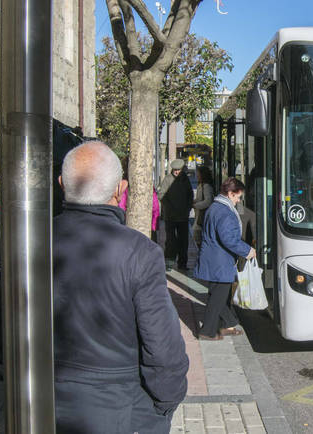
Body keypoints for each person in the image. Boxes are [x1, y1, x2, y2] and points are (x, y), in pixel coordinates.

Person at [53, 141, 188, 433]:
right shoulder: (140, 252)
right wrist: (165, 404)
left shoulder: (31, 241)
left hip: (41, 399)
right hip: (119, 407)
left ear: (62, 184)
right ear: (121, 188)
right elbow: (162, 346)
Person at [194, 177, 256, 341]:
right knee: (218, 299)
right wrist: (248, 250)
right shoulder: (225, 212)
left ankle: (225, 324)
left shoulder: (214, 207)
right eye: (237, 197)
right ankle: (207, 331)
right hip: (220, 262)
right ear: (230, 194)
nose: (238, 201)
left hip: (213, 259)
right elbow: (229, 239)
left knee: (218, 295)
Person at [159, 159, 193, 270]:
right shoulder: (168, 179)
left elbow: (190, 194)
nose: (177, 172)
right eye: (175, 170)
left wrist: (188, 207)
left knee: (183, 241)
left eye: (179, 170)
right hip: (171, 216)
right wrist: (169, 207)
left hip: (183, 216)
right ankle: (169, 263)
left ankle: (182, 263)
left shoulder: (185, 179)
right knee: (171, 240)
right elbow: (161, 195)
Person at [192, 166, 214, 248]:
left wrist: (195, 205)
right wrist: (194, 201)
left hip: (203, 217)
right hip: (199, 216)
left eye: (198, 174)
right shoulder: (200, 185)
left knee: (198, 236)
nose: (197, 175)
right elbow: (200, 198)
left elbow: (208, 202)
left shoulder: (206, 186)